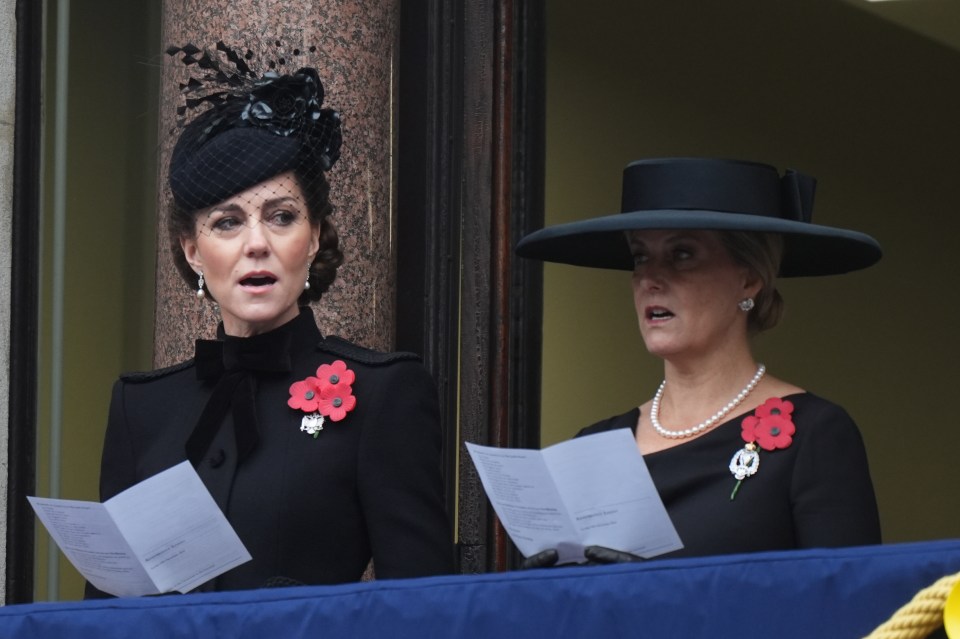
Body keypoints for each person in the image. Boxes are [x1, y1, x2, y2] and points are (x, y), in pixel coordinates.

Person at [85, 44, 452, 596]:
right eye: (227, 223)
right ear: (191, 251)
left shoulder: (385, 394)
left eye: (281, 217)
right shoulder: (142, 408)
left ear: (316, 237)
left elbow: (424, 610)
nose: (256, 244)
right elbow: (108, 610)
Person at [515, 157, 882, 565]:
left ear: (749, 279)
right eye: (640, 257)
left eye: (682, 254)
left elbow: (848, 610)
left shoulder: (815, 435)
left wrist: (664, 598)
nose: (649, 278)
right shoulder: (594, 446)